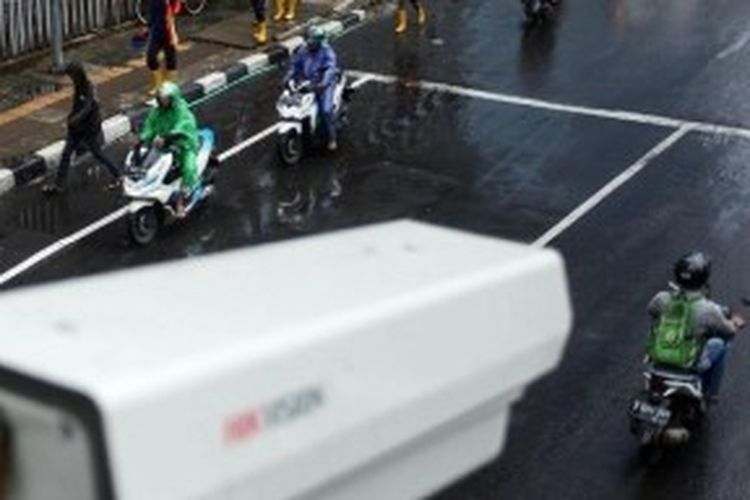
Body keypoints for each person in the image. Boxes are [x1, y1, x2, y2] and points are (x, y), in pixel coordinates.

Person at [647, 252, 744, 401]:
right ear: (704, 278)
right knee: (721, 344)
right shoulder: (708, 309)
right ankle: (710, 394)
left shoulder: (662, 298)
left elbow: (651, 311)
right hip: (688, 366)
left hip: (657, 362)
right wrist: (735, 323)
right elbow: (729, 331)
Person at [42, 62, 121, 195]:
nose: (71, 78)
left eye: (72, 75)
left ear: (78, 75)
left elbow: (87, 107)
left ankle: (117, 174)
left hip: (89, 128)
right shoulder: (78, 85)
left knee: (97, 153)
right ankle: (58, 185)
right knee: (66, 154)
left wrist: (75, 118)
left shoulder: (88, 88)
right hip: (76, 128)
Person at [139, 82, 199, 217]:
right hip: (164, 146)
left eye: (165, 98)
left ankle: (183, 197)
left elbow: (181, 127)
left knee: (188, 167)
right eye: (161, 98)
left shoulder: (181, 111)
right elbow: (149, 126)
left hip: (184, 145)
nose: (162, 101)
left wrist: (168, 137)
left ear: (173, 98)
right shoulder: (156, 112)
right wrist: (142, 138)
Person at [284, 26, 340, 151]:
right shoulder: (303, 50)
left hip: (322, 85)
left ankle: (332, 138)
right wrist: (288, 77)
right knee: (292, 101)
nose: (310, 43)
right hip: (306, 82)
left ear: (318, 42)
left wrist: (322, 84)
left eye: (312, 40)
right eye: (308, 39)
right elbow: (294, 65)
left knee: (325, 110)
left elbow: (330, 69)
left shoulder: (327, 52)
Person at [146, 0, 181, 93]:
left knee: (170, 57)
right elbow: (152, 13)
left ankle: (171, 83)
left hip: (168, 30)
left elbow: (172, 14)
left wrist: (173, 33)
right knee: (151, 56)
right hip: (156, 30)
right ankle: (159, 83)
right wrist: (148, 27)